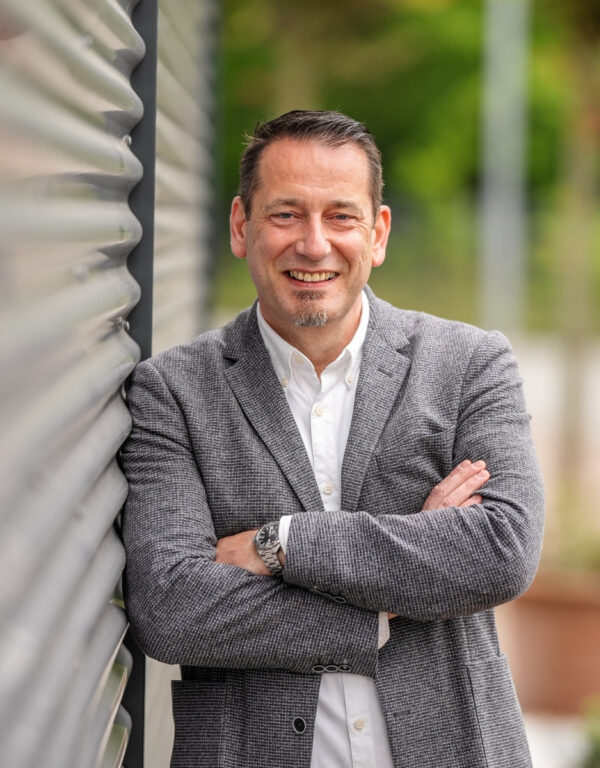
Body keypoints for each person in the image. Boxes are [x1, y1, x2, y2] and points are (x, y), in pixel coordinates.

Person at [121, 109, 544, 768]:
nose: (314, 244)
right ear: (241, 226)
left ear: (378, 233)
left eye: (341, 216)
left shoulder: (470, 364)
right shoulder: (172, 391)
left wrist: (281, 545)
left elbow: (502, 549)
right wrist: (389, 598)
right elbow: (171, 610)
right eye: (286, 214)